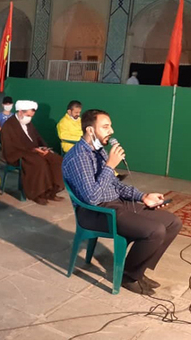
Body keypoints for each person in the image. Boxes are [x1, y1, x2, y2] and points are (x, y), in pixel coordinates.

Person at [62, 109, 182, 295]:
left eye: (110, 126)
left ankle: (138, 270)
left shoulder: (99, 151)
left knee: (173, 222)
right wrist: (110, 165)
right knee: (155, 230)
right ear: (90, 130)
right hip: (96, 213)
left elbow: (116, 185)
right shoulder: (79, 157)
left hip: (116, 204)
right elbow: (92, 198)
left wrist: (143, 196)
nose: (111, 131)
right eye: (105, 127)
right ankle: (128, 276)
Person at [1, 100, 64, 205]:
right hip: (18, 154)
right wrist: (33, 150)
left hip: (34, 150)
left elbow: (37, 137)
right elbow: (10, 147)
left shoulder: (27, 123)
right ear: (20, 112)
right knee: (39, 163)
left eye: (31, 116)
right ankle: (38, 194)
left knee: (56, 160)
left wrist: (44, 148)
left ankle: (52, 191)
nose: (29, 118)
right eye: (28, 115)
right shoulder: (9, 125)